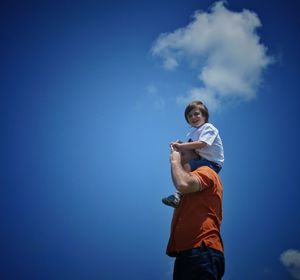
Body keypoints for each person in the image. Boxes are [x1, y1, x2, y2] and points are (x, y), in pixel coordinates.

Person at [166, 144, 225, 280]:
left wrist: (174, 160)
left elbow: (183, 184)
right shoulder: (183, 193)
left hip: (202, 248)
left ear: (197, 155)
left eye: (182, 153)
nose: (178, 155)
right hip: (185, 253)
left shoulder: (207, 171)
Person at [162, 100, 224, 208]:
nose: (193, 117)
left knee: (186, 167)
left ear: (204, 116)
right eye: (190, 116)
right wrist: (180, 146)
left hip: (212, 163)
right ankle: (179, 195)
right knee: (184, 165)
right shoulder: (191, 134)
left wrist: (182, 146)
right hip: (200, 160)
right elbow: (192, 151)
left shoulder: (208, 127)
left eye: (196, 114)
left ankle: (178, 194)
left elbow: (202, 144)